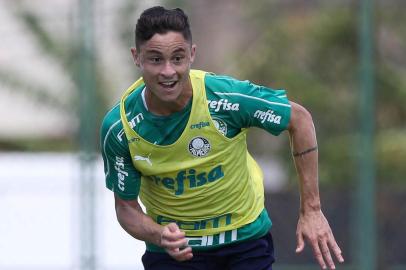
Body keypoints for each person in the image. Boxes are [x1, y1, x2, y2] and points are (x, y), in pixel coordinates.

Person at [101, 6, 344, 270]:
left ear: (192, 54)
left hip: (243, 242)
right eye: (156, 59)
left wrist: (311, 209)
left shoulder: (225, 99)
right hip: (175, 253)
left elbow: (299, 120)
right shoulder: (120, 128)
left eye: (178, 58)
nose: (168, 71)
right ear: (137, 58)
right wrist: (158, 234)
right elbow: (126, 208)